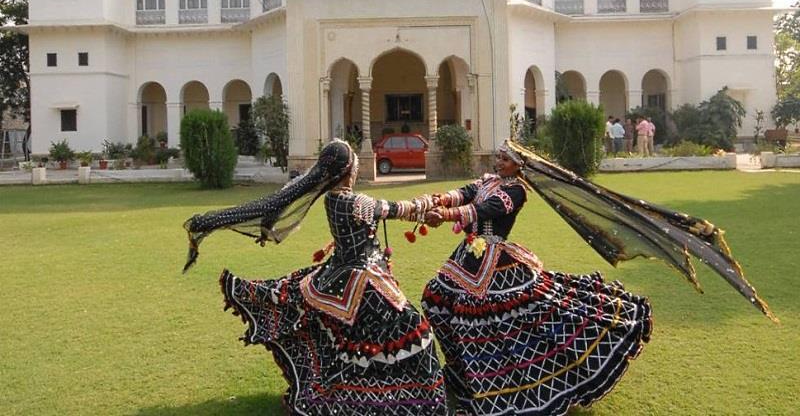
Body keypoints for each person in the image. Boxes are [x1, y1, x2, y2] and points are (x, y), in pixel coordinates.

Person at [183, 139, 448, 415]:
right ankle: (406, 401)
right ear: (348, 171)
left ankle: (375, 391)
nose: (357, 168)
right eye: (355, 163)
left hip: (343, 275)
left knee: (362, 339)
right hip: (365, 281)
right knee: (416, 331)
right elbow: (397, 209)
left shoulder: (334, 198)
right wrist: (430, 202)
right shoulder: (356, 202)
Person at [421, 142, 652, 416]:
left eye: (505, 159)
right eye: (499, 157)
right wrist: (437, 201)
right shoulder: (488, 180)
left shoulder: (516, 191)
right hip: (467, 256)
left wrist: (447, 215)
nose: (499, 162)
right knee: (434, 298)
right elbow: (463, 194)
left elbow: (484, 210)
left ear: (519, 165)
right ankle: (460, 373)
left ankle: (500, 383)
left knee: (484, 320)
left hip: (494, 258)